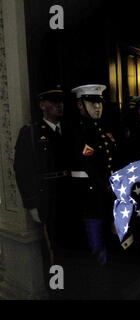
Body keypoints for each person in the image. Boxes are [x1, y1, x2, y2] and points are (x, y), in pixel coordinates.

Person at [14, 85, 71, 296]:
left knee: (69, 247)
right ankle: (57, 291)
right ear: (42, 106)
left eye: (61, 102)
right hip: (47, 199)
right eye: (53, 102)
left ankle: (71, 287)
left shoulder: (67, 130)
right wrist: (30, 203)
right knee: (53, 250)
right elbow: (22, 170)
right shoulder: (31, 133)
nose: (59, 106)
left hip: (69, 197)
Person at [69, 84, 120, 265]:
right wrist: (108, 186)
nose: (98, 107)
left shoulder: (104, 131)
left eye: (99, 102)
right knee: (96, 247)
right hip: (90, 198)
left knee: (112, 243)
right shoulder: (78, 131)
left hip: (107, 197)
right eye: (92, 103)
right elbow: (89, 166)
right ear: (80, 105)